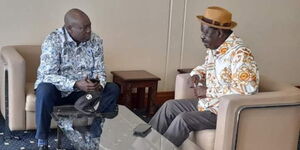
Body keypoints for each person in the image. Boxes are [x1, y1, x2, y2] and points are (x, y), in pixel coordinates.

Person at [149, 6, 259, 147]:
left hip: (225, 112)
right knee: (169, 106)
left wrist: (207, 92)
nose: (202, 36)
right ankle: (141, 144)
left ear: (219, 33)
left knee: (183, 119)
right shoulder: (215, 49)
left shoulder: (241, 54)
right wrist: (196, 74)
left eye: (205, 33)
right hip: (209, 105)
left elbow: (247, 91)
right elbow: (206, 67)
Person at [34, 8, 120, 150]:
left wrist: (98, 84)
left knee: (112, 88)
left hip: (85, 94)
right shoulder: (53, 40)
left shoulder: (96, 40)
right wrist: (75, 84)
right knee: (44, 88)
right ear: (69, 28)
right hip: (59, 92)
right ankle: (42, 139)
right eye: (84, 28)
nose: (89, 31)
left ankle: (96, 133)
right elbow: (46, 75)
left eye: (90, 26)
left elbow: (100, 70)